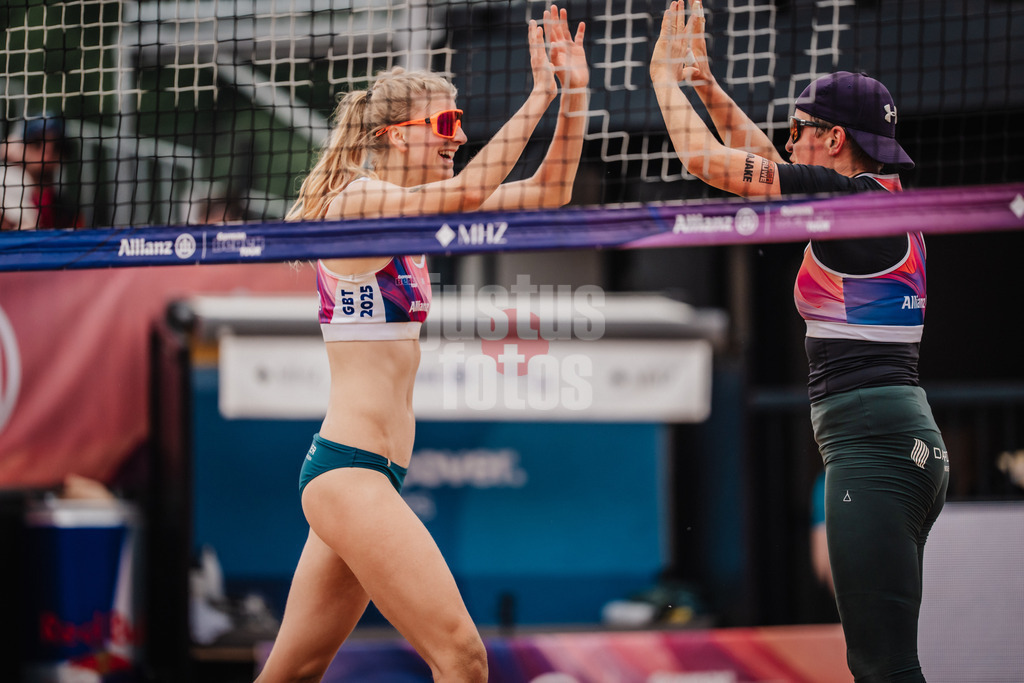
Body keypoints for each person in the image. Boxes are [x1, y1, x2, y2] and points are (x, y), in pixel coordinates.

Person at [255, 6, 588, 682]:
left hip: (365, 473)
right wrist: (538, 96)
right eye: (444, 123)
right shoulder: (358, 202)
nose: (458, 135)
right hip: (350, 472)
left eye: (458, 122)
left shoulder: (415, 213)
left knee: (293, 672)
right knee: (463, 657)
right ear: (392, 136)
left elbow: (550, 191)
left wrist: (574, 96)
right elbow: (468, 192)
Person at [651, 2, 949, 681]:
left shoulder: (849, 204)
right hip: (894, 439)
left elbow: (709, 162)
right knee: (883, 662)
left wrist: (664, 77)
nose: (787, 144)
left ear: (835, 139)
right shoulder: (877, 199)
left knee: (882, 666)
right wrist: (705, 85)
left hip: (875, 447)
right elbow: (762, 161)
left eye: (798, 130)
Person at [0, 116, 82, 230]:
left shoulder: (68, 212)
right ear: (19, 148)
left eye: (57, 145)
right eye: (37, 142)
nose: (47, 152)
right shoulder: (4, 193)